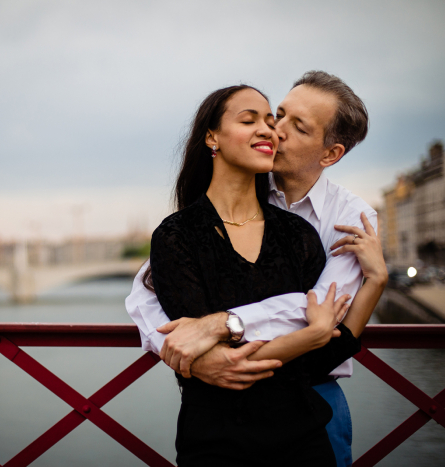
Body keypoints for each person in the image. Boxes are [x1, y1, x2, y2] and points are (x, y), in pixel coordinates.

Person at [127, 71, 387, 466]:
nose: (276, 130)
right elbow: (148, 290)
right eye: (276, 116)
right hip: (220, 422)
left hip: (313, 395)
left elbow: (319, 318)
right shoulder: (219, 203)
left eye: (295, 126)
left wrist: (218, 326)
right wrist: (184, 352)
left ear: (330, 154)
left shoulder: (348, 219)